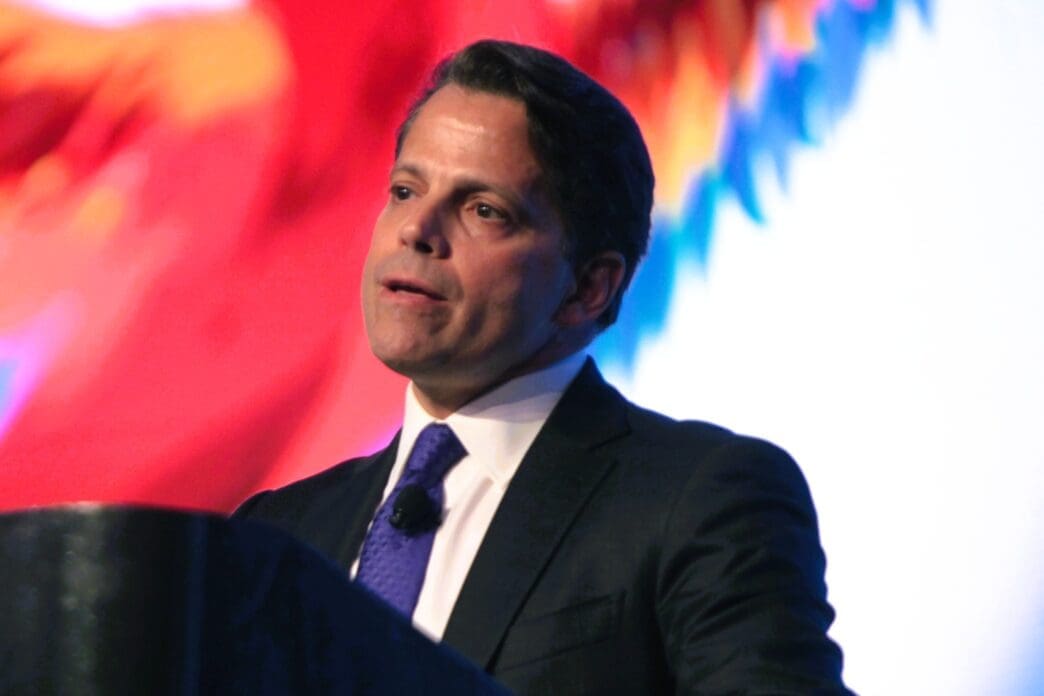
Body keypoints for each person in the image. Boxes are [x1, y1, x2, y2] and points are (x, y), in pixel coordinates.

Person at [235, 39, 851, 694]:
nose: (417, 228)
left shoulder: (700, 499)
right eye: (406, 189)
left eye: (483, 210)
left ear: (588, 288)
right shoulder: (277, 531)